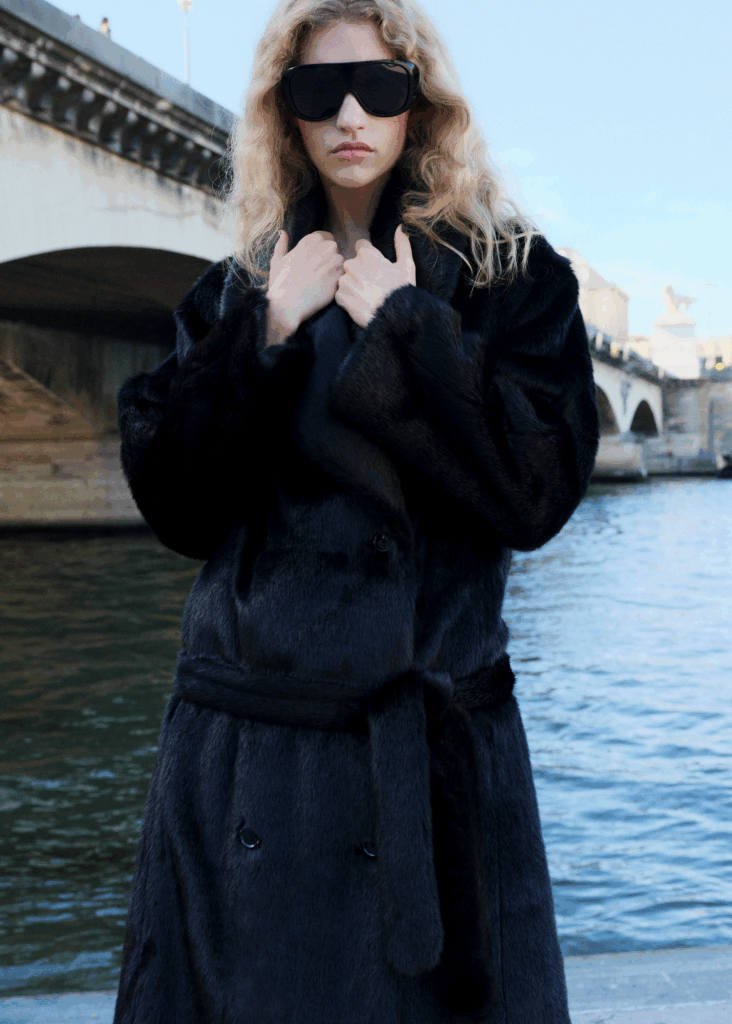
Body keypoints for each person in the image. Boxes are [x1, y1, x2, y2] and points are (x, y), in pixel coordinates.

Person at [113, 1, 600, 1021]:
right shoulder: (233, 295)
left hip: (432, 770)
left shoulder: (511, 282)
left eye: (378, 87)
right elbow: (179, 507)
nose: (348, 113)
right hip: (250, 769)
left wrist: (411, 329)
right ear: (282, 114)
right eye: (314, 90)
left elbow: (536, 492)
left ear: (419, 107)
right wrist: (267, 337)